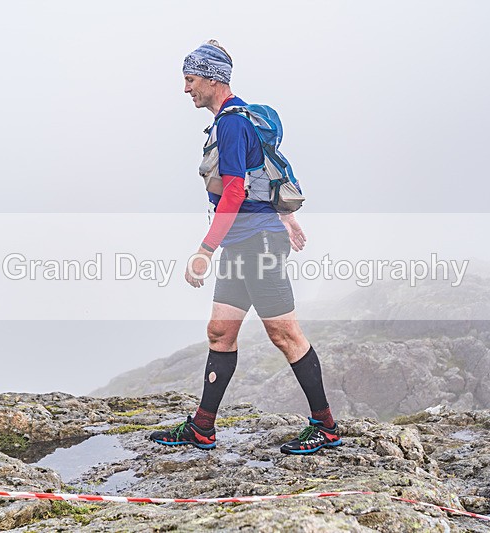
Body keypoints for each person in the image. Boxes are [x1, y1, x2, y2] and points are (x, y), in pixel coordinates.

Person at [148, 40, 342, 455]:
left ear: (213, 78)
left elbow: (234, 191)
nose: (186, 89)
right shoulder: (232, 121)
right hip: (243, 243)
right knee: (220, 332)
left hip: (258, 243)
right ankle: (203, 427)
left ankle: (324, 426)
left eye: (190, 79)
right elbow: (262, 174)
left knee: (283, 333)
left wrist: (204, 250)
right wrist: (285, 215)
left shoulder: (233, 123)